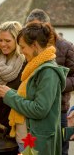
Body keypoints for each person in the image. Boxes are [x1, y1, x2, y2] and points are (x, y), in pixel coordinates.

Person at [0, 22, 69, 154]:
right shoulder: (36, 66)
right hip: (27, 139)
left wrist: (9, 96)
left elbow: (39, 109)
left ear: (34, 45)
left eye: (23, 47)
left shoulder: (48, 72)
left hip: (36, 144)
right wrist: (6, 92)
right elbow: (29, 97)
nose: (22, 52)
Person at [26, 8, 74, 155]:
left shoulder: (66, 47)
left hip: (60, 110)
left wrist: (55, 84)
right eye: (30, 29)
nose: (33, 32)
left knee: (60, 151)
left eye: (36, 28)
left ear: (47, 26)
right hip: (34, 109)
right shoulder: (29, 47)